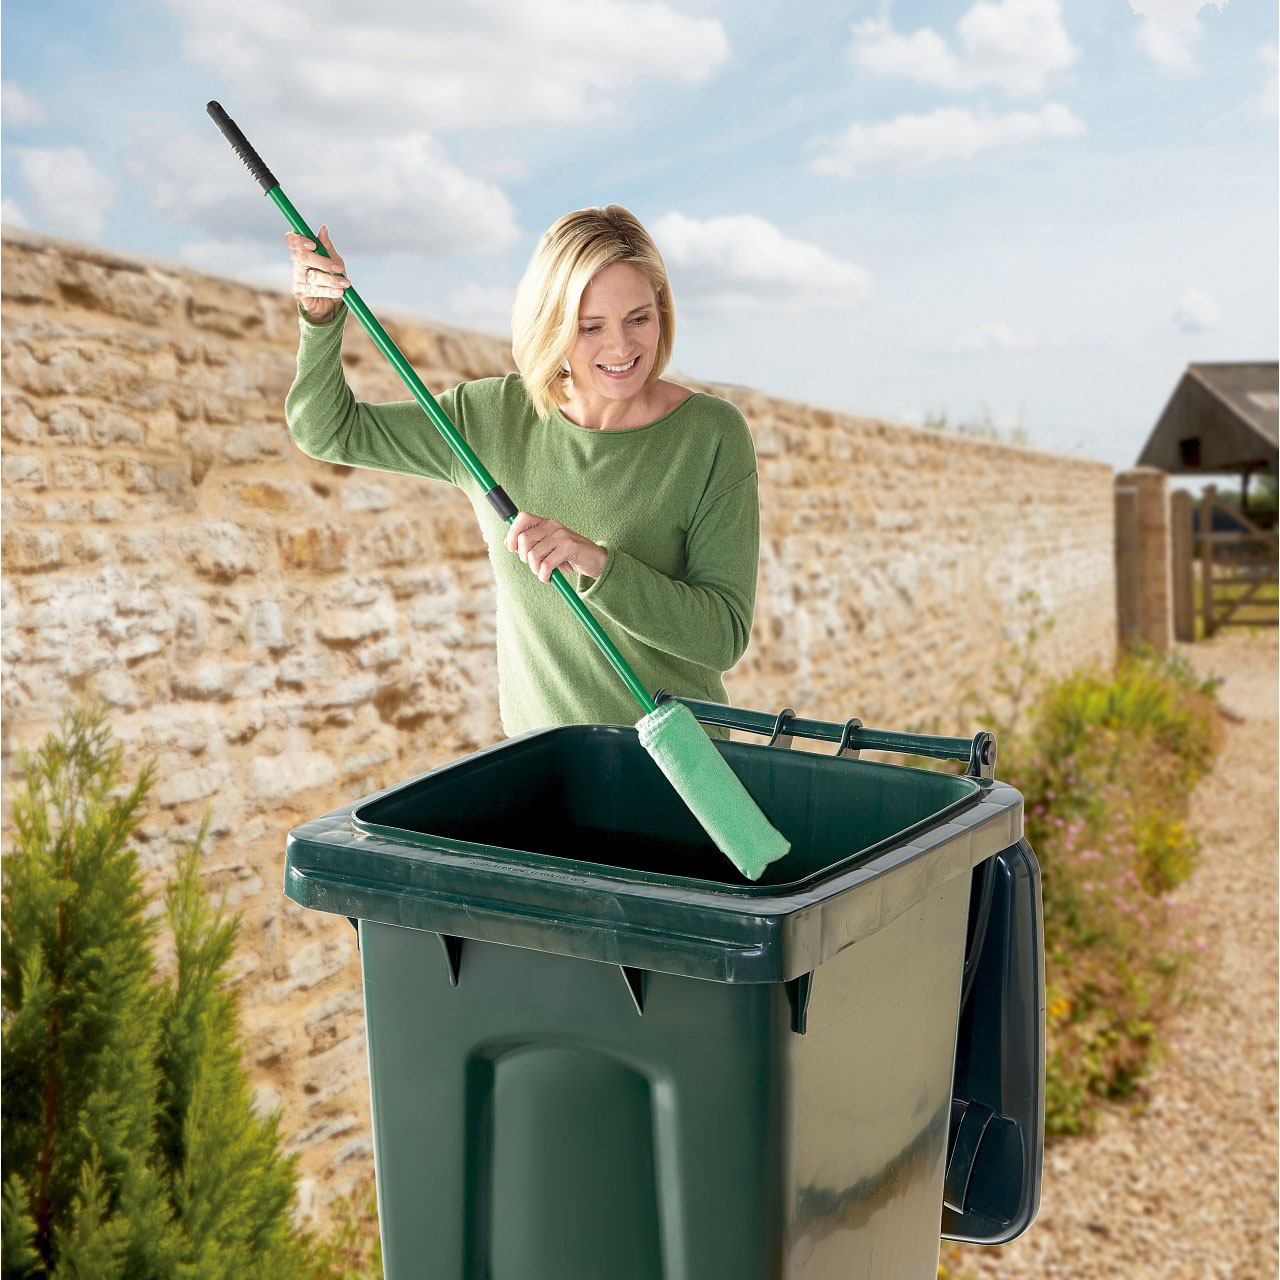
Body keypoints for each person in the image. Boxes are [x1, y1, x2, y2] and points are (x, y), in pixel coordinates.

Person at [283, 205, 760, 741]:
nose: (621, 348)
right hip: (543, 773)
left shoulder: (711, 435)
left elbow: (723, 636)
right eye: (590, 328)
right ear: (553, 326)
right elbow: (329, 430)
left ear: (662, 312)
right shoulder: (489, 420)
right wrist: (322, 321)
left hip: (679, 772)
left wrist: (594, 561)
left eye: (638, 319)